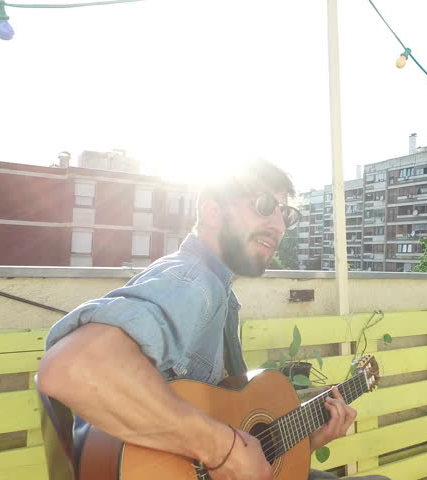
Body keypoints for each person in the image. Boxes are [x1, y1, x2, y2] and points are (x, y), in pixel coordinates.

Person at [37, 160, 388, 480]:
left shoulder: (218, 292)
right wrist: (224, 449)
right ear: (212, 211)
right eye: (265, 205)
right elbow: (73, 368)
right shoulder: (193, 281)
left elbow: (234, 430)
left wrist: (304, 439)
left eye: (287, 214)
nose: (279, 225)